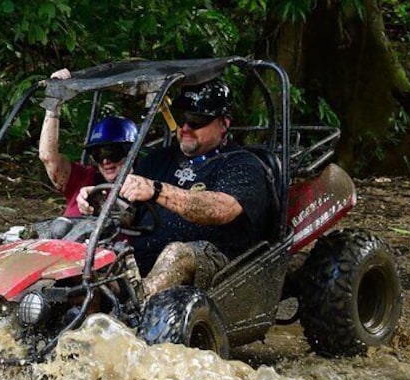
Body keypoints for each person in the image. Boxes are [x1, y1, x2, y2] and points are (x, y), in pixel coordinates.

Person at [76, 79, 272, 297]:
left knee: (177, 254)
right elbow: (130, 213)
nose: (185, 128)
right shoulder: (158, 159)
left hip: (215, 264)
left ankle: (139, 305)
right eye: (181, 119)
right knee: (89, 251)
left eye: (196, 121)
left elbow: (222, 209)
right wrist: (99, 202)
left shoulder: (241, 164)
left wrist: (158, 190)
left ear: (224, 123)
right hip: (144, 258)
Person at [39, 68, 137, 217]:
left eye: (113, 153)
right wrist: (53, 104)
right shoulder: (85, 178)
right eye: (97, 154)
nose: (105, 160)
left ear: (130, 151)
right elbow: (48, 157)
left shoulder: (143, 188)